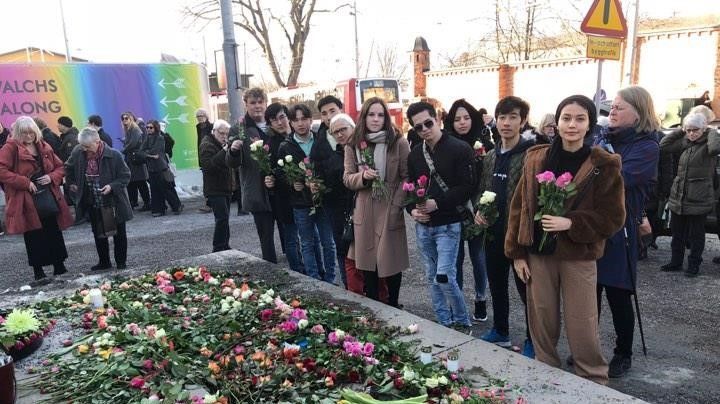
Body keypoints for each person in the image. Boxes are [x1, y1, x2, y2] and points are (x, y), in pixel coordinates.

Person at [505, 95, 626, 385]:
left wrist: (571, 223)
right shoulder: (536, 158)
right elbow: (520, 206)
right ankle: (546, 375)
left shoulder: (603, 164)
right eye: (566, 118)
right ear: (556, 123)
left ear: (589, 125)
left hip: (578, 256)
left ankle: (593, 378)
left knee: (582, 322)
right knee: (542, 320)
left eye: (580, 119)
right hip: (538, 255)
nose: (572, 125)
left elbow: (613, 217)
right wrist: (517, 253)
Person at [594, 85, 660, 378]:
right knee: (589, 291)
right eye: (613, 107)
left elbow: (617, 178)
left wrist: (595, 167)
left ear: (638, 112)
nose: (613, 112)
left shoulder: (647, 146)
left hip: (621, 230)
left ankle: (623, 353)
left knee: (618, 293)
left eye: (620, 107)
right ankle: (588, 347)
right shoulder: (604, 138)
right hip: (593, 226)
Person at [474, 96, 535, 355]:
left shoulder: (531, 156)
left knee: (528, 291)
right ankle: (500, 331)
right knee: (497, 284)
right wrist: (479, 211)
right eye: (502, 117)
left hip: (519, 236)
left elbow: (533, 200)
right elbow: (482, 190)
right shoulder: (490, 156)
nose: (506, 123)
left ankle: (535, 340)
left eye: (513, 117)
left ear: (522, 122)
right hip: (493, 234)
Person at [407, 101, 475, 328]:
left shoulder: (459, 148)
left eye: (428, 123)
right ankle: (443, 322)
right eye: (419, 127)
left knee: (444, 275)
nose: (425, 129)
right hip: (423, 225)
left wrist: (439, 203)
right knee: (431, 276)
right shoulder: (416, 154)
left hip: (448, 224)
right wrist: (413, 211)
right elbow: (408, 187)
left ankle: (463, 322)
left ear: (437, 119)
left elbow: (468, 186)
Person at [343, 97, 410, 308]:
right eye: (371, 114)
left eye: (380, 114)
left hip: (390, 206)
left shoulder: (398, 141)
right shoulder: (353, 143)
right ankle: (375, 306)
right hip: (365, 207)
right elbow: (347, 178)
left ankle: (394, 303)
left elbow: (406, 177)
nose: (376, 119)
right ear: (364, 116)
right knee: (368, 262)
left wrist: (397, 205)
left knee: (390, 261)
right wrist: (363, 177)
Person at [0, 116, 73, 285]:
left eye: (31, 133)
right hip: (25, 198)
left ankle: (59, 265)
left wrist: (51, 177)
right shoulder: (9, 148)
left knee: (53, 231)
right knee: (33, 234)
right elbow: (2, 171)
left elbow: (60, 167)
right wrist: (24, 182)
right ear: (18, 133)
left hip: (47, 195)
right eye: (24, 133)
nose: (28, 137)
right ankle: (38, 270)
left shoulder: (43, 145)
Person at [444, 98, 493, 322]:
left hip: (478, 210)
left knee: (479, 257)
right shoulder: (445, 144)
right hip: (455, 209)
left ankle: (481, 298)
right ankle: (458, 301)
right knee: (455, 258)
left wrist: (484, 206)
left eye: (466, 118)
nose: (462, 123)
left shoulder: (485, 144)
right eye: (457, 119)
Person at [278, 104, 337, 283]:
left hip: (324, 201)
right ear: (291, 123)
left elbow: (332, 167)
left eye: (304, 119)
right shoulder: (286, 146)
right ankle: (313, 279)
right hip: (301, 203)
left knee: (328, 243)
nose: (301, 124)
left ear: (311, 120)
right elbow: (280, 174)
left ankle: (330, 278)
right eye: (296, 120)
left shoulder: (322, 140)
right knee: (307, 243)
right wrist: (292, 184)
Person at [65, 127, 133, 270]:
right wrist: (72, 183)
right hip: (92, 200)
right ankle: (104, 262)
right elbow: (68, 167)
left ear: (98, 141)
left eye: (87, 146)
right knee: (98, 233)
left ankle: (121, 262)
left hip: (113, 201)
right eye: (82, 146)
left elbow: (125, 176)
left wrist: (112, 186)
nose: (85, 149)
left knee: (119, 233)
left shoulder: (114, 155)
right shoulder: (78, 151)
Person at [659, 113, 719, 277]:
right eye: (689, 130)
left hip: (699, 197)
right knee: (677, 233)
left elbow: (715, 149)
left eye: (695, 130)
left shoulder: (708, 143)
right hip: (679, 196)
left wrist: (711, 131)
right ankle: (676, 262)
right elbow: (664, 145)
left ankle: (694, 265)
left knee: (696, 235)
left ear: (703, 128)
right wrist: (680, 130)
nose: (692, 133)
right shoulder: (685, 142)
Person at [230, 87, 279, 263]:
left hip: (280, 188)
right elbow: (232, 163)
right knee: (265, 235)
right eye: (253, 103)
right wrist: (233, 151)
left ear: (265, 103)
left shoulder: (275, 123)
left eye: (260, 102)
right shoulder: (239, 128)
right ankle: (271, 268)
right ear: (246, 105)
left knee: (289, 232)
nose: (257, 106)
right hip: (257, 189)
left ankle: (296, 267)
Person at [264, 103, 304, 273]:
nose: (279, 122)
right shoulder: (270, 145)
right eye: (274, 120)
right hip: (284, 198)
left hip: (305, 196)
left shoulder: (300, 137)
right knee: (291, 237)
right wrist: (269, 181)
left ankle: (311, 267)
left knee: (310, 238)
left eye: (282, 117)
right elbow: (270, 173)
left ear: (288, 117)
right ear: (270, 124)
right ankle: (296, 269)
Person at [200, 120, 241, 252]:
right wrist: (224, 150)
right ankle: (218, 247)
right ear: (214, 131)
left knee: (225, 218)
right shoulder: (207, 144)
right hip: (214, 188)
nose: (224, 136)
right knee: (222, 218)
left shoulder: (221, 143)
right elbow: (208, 166)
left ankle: (224, 245)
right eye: (221, 133)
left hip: (226, 186)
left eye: (226, 133)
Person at [142, 120, 183, 217]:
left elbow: (155, 151)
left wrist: (147, 154)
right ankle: (158, 209)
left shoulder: (160, 138)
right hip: (151, 167)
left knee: (166, 188)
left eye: (150, 127)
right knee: (155, 189)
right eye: (147, 127)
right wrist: (149, 155)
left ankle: (176, 206)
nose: (148, 129)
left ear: (155, 128)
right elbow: (141, 152)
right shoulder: (147, 138)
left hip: (161, 167)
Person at [120, 112, 151, 211]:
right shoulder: (129, 129)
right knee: (132, 182)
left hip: (136, 159)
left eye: (126, 118)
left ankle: (147, 203)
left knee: (141, 182)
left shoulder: (135, 129)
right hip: (132, 159)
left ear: (131, 119)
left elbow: (133, 143)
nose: (124, 120)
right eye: (123, 119)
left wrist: (124, 150)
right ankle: (133, 202)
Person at [196, 108, 214, 214]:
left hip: (210, 156)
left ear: (206, 116)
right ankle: (209, 203)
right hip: (202, 157)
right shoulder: (198, 128)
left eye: (201, 115)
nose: (199, 118)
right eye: (198, 116)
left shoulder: (211, 127)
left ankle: (209, 204)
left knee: (209, 181)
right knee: (207, 181)